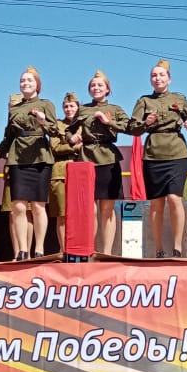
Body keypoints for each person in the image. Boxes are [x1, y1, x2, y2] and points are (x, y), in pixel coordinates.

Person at [130, 59, 187, 258]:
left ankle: (177, 248)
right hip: (153, 155)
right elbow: (133, 128)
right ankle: (158, 250)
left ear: (169, 79)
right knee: (157, 203)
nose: (157, 78)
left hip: (177, 152)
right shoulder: (144, 101)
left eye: (161, 75)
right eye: (154, 75)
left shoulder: (180, 98)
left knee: (175, 198)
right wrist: (146, 123)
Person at [0, 67, 57, 261]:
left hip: (40, 156)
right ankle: (23, 250)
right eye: (23, 81)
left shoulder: (46, 104)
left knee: (38, 205)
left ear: (37, 84)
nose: (25, 83)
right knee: (19, 206)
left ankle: (39, 248)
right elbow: (8, 137)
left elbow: (55, 131)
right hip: (18, 157)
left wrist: (43, 122)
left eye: (30, 80)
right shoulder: (14, 109)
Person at [69, 70, 129, 255]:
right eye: (93, 85)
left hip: (108, 158)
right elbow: (68, 129)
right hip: (86, 159)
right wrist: (72, 138)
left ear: (107, 89)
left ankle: (107, 252)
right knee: (89, 209)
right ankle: (90, 251)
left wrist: (107, 121)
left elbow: (128, 126)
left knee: (107, 209)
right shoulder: (83, 109)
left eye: (100, 85)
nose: (96, 88)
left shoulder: (116, 109)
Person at [48, 92, 82, 253]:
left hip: (80, 170)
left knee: (79, 215)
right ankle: (63, 251)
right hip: (60, 172)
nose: (69, 109)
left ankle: (79, 249)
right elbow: (55, 147)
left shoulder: (84, 125)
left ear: (78, 107)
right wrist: (75, 146)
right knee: (62, 214)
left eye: (72, 106)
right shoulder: (57, 125)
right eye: (66, 106)